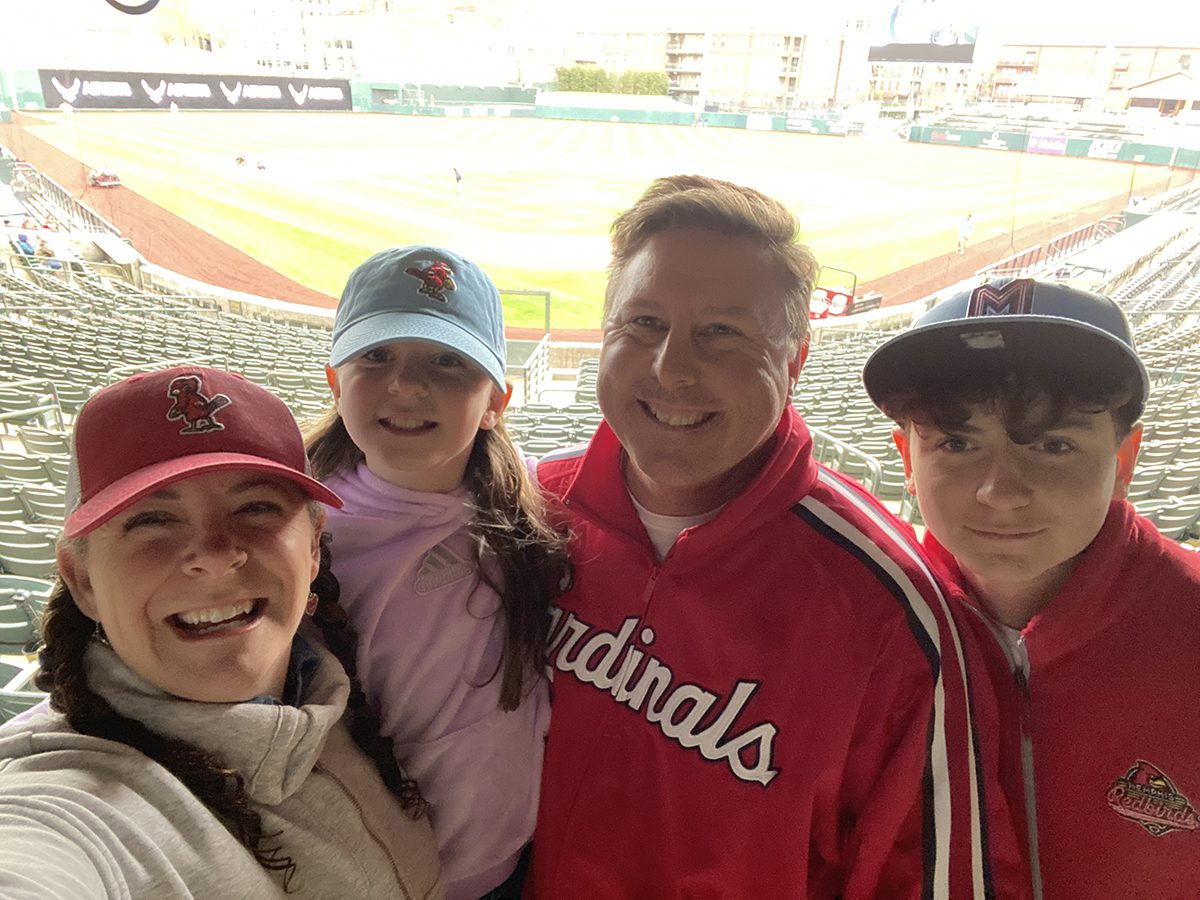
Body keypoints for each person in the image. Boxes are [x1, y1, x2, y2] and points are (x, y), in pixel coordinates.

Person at [529, 175, 1023, 898]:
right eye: (642, 324)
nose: (673, 368)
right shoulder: (527, 512)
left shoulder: (893, 610)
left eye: (722, 333)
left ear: (794, 360)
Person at [0, 365, 443, 898]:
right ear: (83, 580)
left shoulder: (335, 687)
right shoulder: (70, 804)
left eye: (254, 507)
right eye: (151, 520)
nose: (214, 555)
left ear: (312, 546)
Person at [863, 277, 1200, 898]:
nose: (1001, 491)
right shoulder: (864, 624)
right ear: (907, 461)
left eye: (1053, 444)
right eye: (957, 442)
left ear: (1124, 461)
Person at [306, 246, 569, 900]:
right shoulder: (297, 532)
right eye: (376, 357)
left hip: (510, 870)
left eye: (448, 362)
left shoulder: (535, 505)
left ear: (495, 402)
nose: (406, 385)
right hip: (371, 882)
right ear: (336, 385)